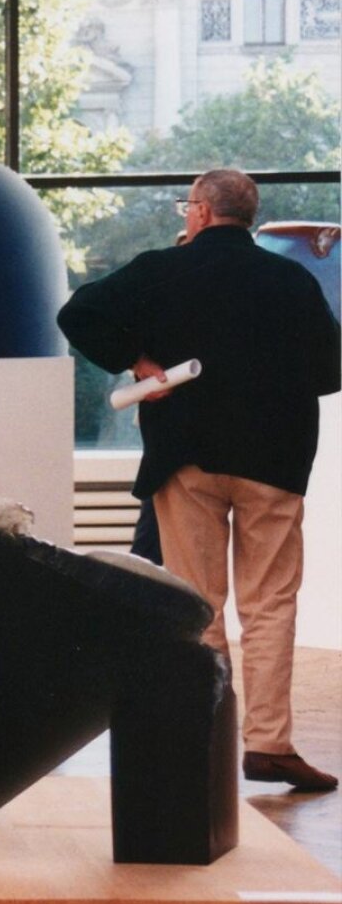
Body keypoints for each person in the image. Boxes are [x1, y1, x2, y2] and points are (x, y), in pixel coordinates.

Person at [58, 169, 340, 791]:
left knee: (197, 600)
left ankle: (204, 742)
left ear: (204, 213)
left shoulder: (161, 270)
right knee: (269, 603)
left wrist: (139, 362)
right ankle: (269, 744)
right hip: (275, 463)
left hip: (185, 457)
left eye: (188, 206)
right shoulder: (291, 279)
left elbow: (77, 313)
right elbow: (330, 371)